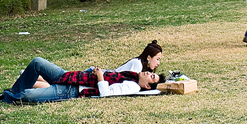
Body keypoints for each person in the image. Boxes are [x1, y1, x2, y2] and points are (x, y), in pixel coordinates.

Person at [0, 57, 162, 104]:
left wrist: (100, 77)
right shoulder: (130, 75)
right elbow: (111, 75)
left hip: (70, 90)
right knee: (37, 62)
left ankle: (7, 96)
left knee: (27, 96)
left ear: (147, 86)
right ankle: (10, 94)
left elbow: (106, 94)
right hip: (70, 76)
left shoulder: (132, 87)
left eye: (151, 76)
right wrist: (97, 71)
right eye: (151, 73)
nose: (149, 73)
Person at [31, 40, 162, 89]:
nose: (158, 63)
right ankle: (34, 76)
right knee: (60, 80)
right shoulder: (137, 66)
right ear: (148, 58)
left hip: (100, 75)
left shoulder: (142, 67)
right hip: (97, 74)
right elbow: (119, 79)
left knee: (61, 79)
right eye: (157, 59)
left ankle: (35, 76)